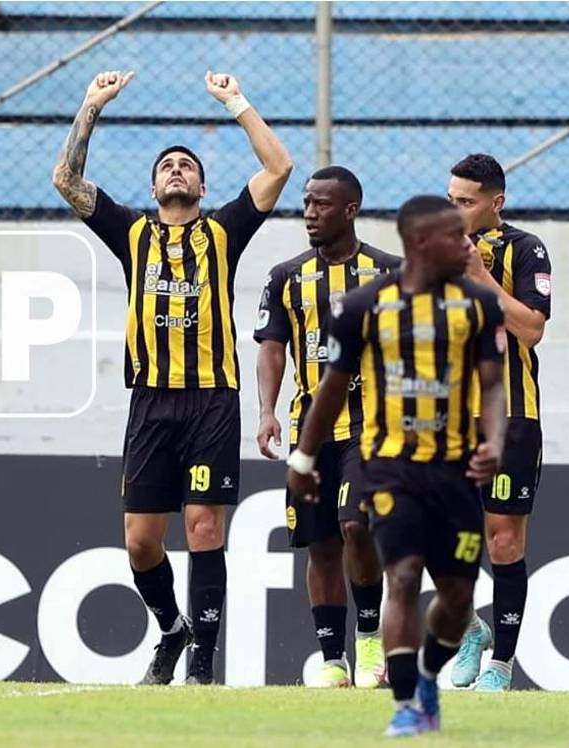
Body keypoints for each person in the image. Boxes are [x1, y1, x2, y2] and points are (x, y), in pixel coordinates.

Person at [52, 70, 292, 685]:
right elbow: (67, 181)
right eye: (168, 166)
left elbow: (280, 167)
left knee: (205, 528)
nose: (177, 170)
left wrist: (236, 102)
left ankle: (202, 668)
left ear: (203, 185)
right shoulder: (132, 232)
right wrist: (90, 105)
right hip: (151, 403)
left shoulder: (224, 231)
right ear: (154, 186)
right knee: (140, 541)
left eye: (187, 165)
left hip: (213, 400)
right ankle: (172, 628)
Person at [286, 195, 507, 736]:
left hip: (455, 469)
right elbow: (332, 391)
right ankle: (406, 703)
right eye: (455, 235)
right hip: (387, 465)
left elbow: (494, 384)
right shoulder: (364, 306)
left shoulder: (478, 305)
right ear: (420, 242)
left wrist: (494, 439)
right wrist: (304, 457)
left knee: (456, 597)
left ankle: (429, 675)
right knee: (403, 576)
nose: (467, 244)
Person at [254, 165, 400, 688]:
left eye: (320, 204)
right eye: (306, 203)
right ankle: (332, 659)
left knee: (355, 525)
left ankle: (367, 639)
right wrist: (267, 410)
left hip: (371, 428)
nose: (309, 213)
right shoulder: (285, 276)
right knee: (319, 544)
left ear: (350, 210)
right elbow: (272, 347)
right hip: (309, 430)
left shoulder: (390, 273)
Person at [446, 154, 552, 692]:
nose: (455, 210)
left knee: (504, 541)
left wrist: (481, 276)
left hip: (510, 415)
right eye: (451, 200)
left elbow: (531, 330)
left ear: (495, 202)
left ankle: (502, 666)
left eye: (466, 202)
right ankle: (470, 628)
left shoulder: (527, 248)